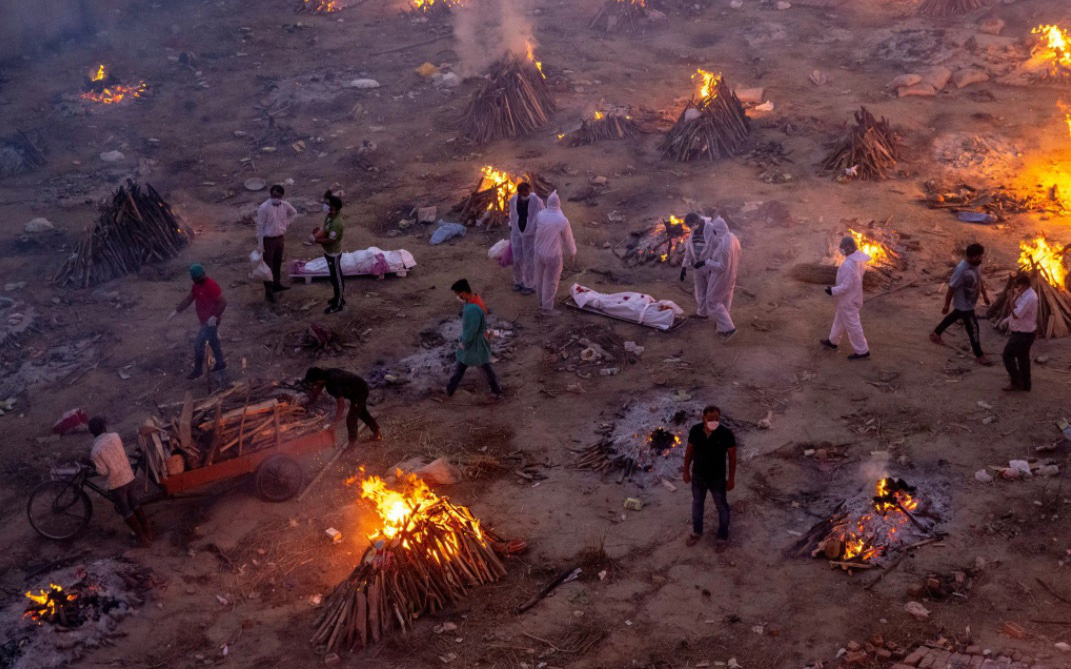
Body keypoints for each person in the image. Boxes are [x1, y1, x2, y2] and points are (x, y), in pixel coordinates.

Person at [87, 416, 153, 546]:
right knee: (135, 504)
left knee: (126, 511)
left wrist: (91, 464)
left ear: (91, 432)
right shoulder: (115, 436)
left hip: (116, 483)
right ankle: (148, 532)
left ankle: (142, 539)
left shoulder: (95, 451)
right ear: (104, 427)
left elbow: (103, 472)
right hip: (128, 475)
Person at [682, 405, 737, 547]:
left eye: (717, 419)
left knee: (721, 506)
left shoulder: (726, 433)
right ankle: (697, 532)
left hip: (717, 478)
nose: (714, 421)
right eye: (710, 419)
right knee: (697, 504)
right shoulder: (695, 431)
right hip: (698, 476)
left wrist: (731, 479)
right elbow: (689, 451)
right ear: (703, 418)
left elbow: (732, 457)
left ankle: (723, 536)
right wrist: (686, 471)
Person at [930, 243, 992, 365]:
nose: (980, 259)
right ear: (970, 257)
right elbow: (951, 287)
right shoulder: (961, 269)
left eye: (981, 256)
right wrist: (946, 305)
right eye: (978, 257)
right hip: (964, 305)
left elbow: (979, 280)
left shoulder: (976, 265)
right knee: (973, 328)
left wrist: (984, 295)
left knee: (955, 316)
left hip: (968, 303)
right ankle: (979, 355)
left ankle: (936, 333)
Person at [446, 279, 503, 399]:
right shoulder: (474, 300)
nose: (457, 297)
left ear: (463, 293)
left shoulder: (473, 310)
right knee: (463, 365)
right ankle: (450, 389)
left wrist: (464, 343)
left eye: (457, 294)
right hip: (474, 343)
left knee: (481, 366)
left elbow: (472, 330)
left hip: (474, 344)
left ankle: (496, 391)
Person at [169, 264, 227, 380]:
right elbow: (189, 299)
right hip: (204, 320)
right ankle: (221, 365)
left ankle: (198, 371)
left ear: (203, 274)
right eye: (195, 279)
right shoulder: (196, 286)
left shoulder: (211, 285)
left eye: (199, 278)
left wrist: (215, 317)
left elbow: (223, 302)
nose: (198, 280)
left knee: (198, 345)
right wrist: (177, 310)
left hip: (210, 322)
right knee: (214, 342)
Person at [820, 236, 871, 361]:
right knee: (840, 320)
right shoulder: (857, 259)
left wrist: (832, 291)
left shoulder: (848, 265)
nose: (840, 249)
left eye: (842, 246)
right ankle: (833, 341)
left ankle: (862, 351)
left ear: (847, 248)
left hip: (848, 300)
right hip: (850, 297)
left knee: (853, 325)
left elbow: (846, 286)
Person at [303, 367, 382, 447]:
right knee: (362, 412)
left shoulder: (332, 384)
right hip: (357, 388)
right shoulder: (325, 375)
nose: (314, 385)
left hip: (360, 391)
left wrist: (334, 424)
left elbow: (341, 405)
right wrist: (309, 402)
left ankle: (351, 445)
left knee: (351, 419)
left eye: (314, 383)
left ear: (318, 379)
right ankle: (377, 433)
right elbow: (318, 389)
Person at [531, 191, 577, 315]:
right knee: (551, 280)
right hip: (553, 255)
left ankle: (540, 301)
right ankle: (547, 308)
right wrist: (573, 252)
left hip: (538, 252)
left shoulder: (541, 215)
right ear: (559, 203)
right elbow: (568, 238)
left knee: (539, 277)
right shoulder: (562, 220)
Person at [255, 184, 299, 303]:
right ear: (270, 194)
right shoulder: (264, 208)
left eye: (278, 196)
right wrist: (260, 244)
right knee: (267, 266)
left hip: (280, 238)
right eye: (274, 195)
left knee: (277, 262)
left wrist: (286, 223)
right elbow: (259, 226)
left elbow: (294, 213)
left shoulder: (284, 205)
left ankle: (276, 284)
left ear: (281, 196)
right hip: (268, 240)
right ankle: (269, 291)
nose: (276, 197)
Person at [999, 272, 1038, 392]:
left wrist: (1010, 298)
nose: (1017, 288)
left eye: (1018, 285)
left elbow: (1016, 314)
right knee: (1023, 358)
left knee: (1007, 355)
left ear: (1024, 284)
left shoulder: (1029, 297)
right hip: (1024, 331)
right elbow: (1016, 310)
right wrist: (1006, 320)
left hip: (1023, 333)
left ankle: (1016, 381)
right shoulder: (1024, 294)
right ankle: (1026, 384)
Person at [706, 217, 741, 341]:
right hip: (732, 274)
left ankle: (729, 328)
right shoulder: (733, 238)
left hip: (722, 277)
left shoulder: (723, 246)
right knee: (725, 299)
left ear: (716, 231)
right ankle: (722, 326)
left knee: (712, 301)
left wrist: (707, 262)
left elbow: (721, 266)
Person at [508, 183, 545, 295]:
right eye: (525, 192)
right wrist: (512, 227)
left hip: (531, 235)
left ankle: (530, 285)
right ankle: (518, 281)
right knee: (517, 259)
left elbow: (542, 215)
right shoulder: (513, 200)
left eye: (528, 191)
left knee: (530, 260)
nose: (527, 194)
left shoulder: (536, 201)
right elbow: (512, 215)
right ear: (520, 192)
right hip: (517, 234)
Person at [311, 194, 345, 314]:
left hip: (333, 253)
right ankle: (337, 297)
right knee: (333, 277)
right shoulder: (329, 216)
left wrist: (316, 240)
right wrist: (317, 234)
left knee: (337, 279)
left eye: (329, 205)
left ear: (334, 208)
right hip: (328, 251)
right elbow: (325, 230)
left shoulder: (336, 222)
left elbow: (331, 240)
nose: (326, 206)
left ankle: (339, 303)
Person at [680, 213, 716, 318]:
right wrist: (684, 266)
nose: (690, 228)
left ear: (698, 222)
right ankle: (702, 314)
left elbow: (716, 247)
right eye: (689, 226)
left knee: (713, 291)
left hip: (710, 264)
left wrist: (709, 262)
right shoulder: (693, 231)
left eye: (691, 225)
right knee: (700, 290)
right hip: (697, 264)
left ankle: (719, 318)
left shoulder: (710, 228)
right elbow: (689, 249)